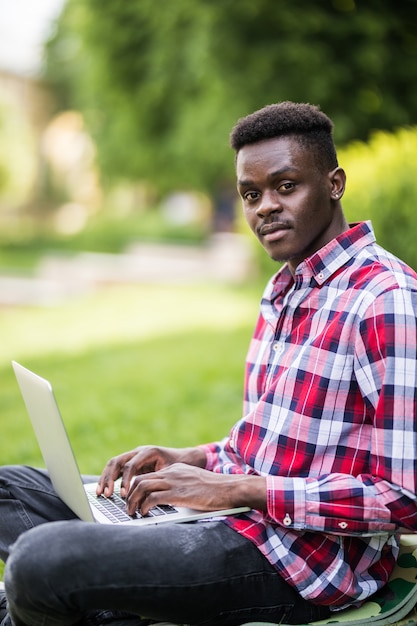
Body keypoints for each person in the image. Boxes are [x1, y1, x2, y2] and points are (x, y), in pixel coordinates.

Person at [1, 100, 417, 626]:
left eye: (286, 186)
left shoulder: (386, 298)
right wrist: (194, 458)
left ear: (334, 184)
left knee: (43, 560)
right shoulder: (284, 288)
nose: (265, 207)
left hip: (299, 564)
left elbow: (405, 497)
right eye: (251, 194)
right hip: (232, 517)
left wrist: (239, 489)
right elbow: (269, 444)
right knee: (9, 489)